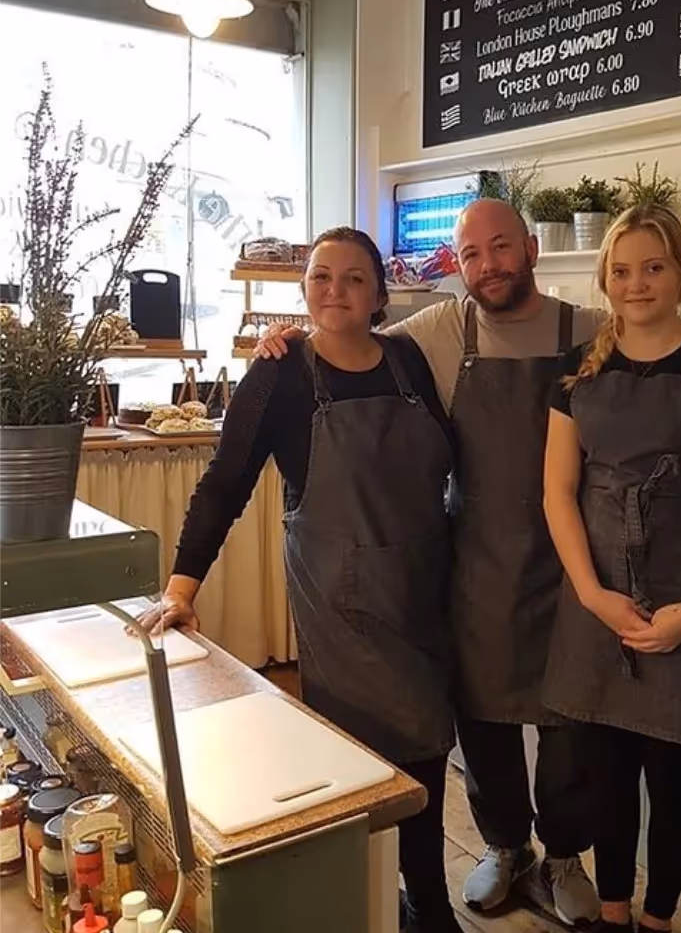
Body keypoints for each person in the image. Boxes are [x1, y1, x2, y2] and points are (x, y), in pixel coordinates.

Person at [256, 199, 681, 927]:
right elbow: (351, 336)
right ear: (459, 266)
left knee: (571, 731)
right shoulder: (438, 332)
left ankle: (564, 855)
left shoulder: (587, 330)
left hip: (578, 568)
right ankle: (505, 845)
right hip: (481, 562)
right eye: (472, 254)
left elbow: (658, 332)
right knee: (483, 718)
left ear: (531, 250)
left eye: (502, 248)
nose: (488, 266)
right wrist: (292, 336)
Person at [137, 227, 461, 933]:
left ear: (379, 295)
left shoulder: (409, 359)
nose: (335, 291)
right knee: (359, 755)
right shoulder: (279, 375)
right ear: (304, 288)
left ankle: (421, 901)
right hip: (341, 600)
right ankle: (376, 905)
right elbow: (225, 484)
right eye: (320, 277)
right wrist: (181, 589)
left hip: (423, 591)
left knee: (429, 746)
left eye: (353, 278)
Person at [542, 204, 681, 933]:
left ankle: (659, 920)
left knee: (673, 778)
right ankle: (614, 916)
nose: (636, 283)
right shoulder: (578, 369)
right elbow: (557, 493)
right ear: (605, 280)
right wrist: (591, 595)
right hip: (598, 596)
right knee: (606, 771)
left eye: (653, 267)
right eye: (621, 270)